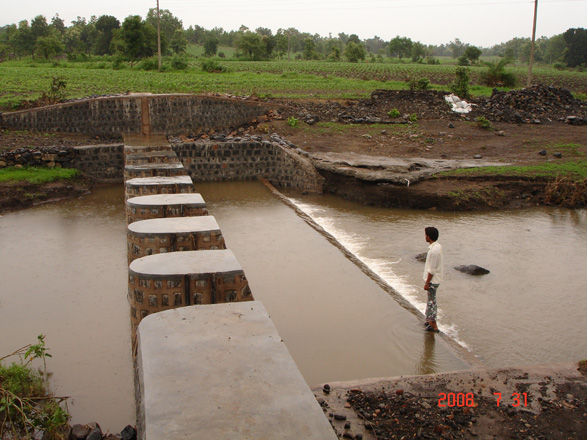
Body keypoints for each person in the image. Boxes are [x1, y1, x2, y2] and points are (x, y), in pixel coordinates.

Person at [423, 226, 443, 332]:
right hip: (434, 280)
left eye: (426, 235)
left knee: (432, 301)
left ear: (429, 237)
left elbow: (432, 269)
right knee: (431, 300)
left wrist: (427, 283)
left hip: (432, 281)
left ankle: (433, 324)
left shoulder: (434, 251)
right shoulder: (437, 247)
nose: (425, 236)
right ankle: (429, 320)